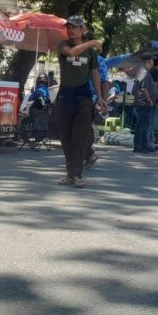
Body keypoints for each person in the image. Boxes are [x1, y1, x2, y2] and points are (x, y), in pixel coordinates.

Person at [55, 15, 106, 188]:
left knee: (80, 136)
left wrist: (99, 97)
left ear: (82, 29)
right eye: (68, 27)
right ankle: (70, 174)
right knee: (65, 136)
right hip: (65, 96)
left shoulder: (90, 53)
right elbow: (72, 52)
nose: (70, 30)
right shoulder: (63, 45)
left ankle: (76, 175)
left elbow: (95, 74)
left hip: (83, 97)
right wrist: (92, 42)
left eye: (74, 27)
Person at [83, 30, 111, 168]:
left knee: (83, 126)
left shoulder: (99, 60)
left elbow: (104, 81)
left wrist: (103, 101)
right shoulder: (77, 56)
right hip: (77, 97)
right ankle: (87, 154)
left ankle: (88, 154)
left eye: (85, 39)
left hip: (91, 99)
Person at [131, 53, 156, 154]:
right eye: (152, 60)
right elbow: (144, 88)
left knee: (145, 125)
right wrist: (149, 100)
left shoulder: (142, 71)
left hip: (142, 103)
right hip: (144, 103)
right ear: (149, 61)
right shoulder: (144, 72)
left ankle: (145, 145)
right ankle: (139, 146)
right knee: (142, 125)